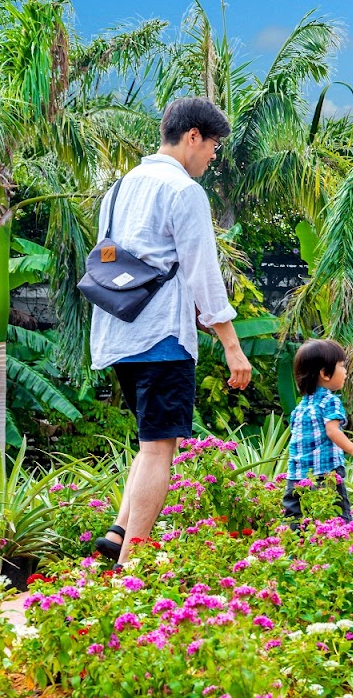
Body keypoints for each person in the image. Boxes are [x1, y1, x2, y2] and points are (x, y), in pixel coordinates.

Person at [90, 98, 252, 566]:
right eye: (214, 145)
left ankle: (120, 531)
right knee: (161, 448)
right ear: (193, 136)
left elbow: (107, 258)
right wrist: (232, 347)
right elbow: (204, 274)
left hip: (119, 331)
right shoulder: (183, 191)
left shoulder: (120, 187)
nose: (214, 156)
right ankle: (129, 567)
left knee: (151, 441)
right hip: (162, 336)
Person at [283, 339, 353, 522]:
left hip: (296, 478)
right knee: (338, 519)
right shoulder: (330, 401)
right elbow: (332, 431)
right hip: (326, 475)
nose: (345, 371)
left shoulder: (299, 408)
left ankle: (293, 550)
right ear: (325, 373)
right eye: (341, 366)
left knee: (295, 522)